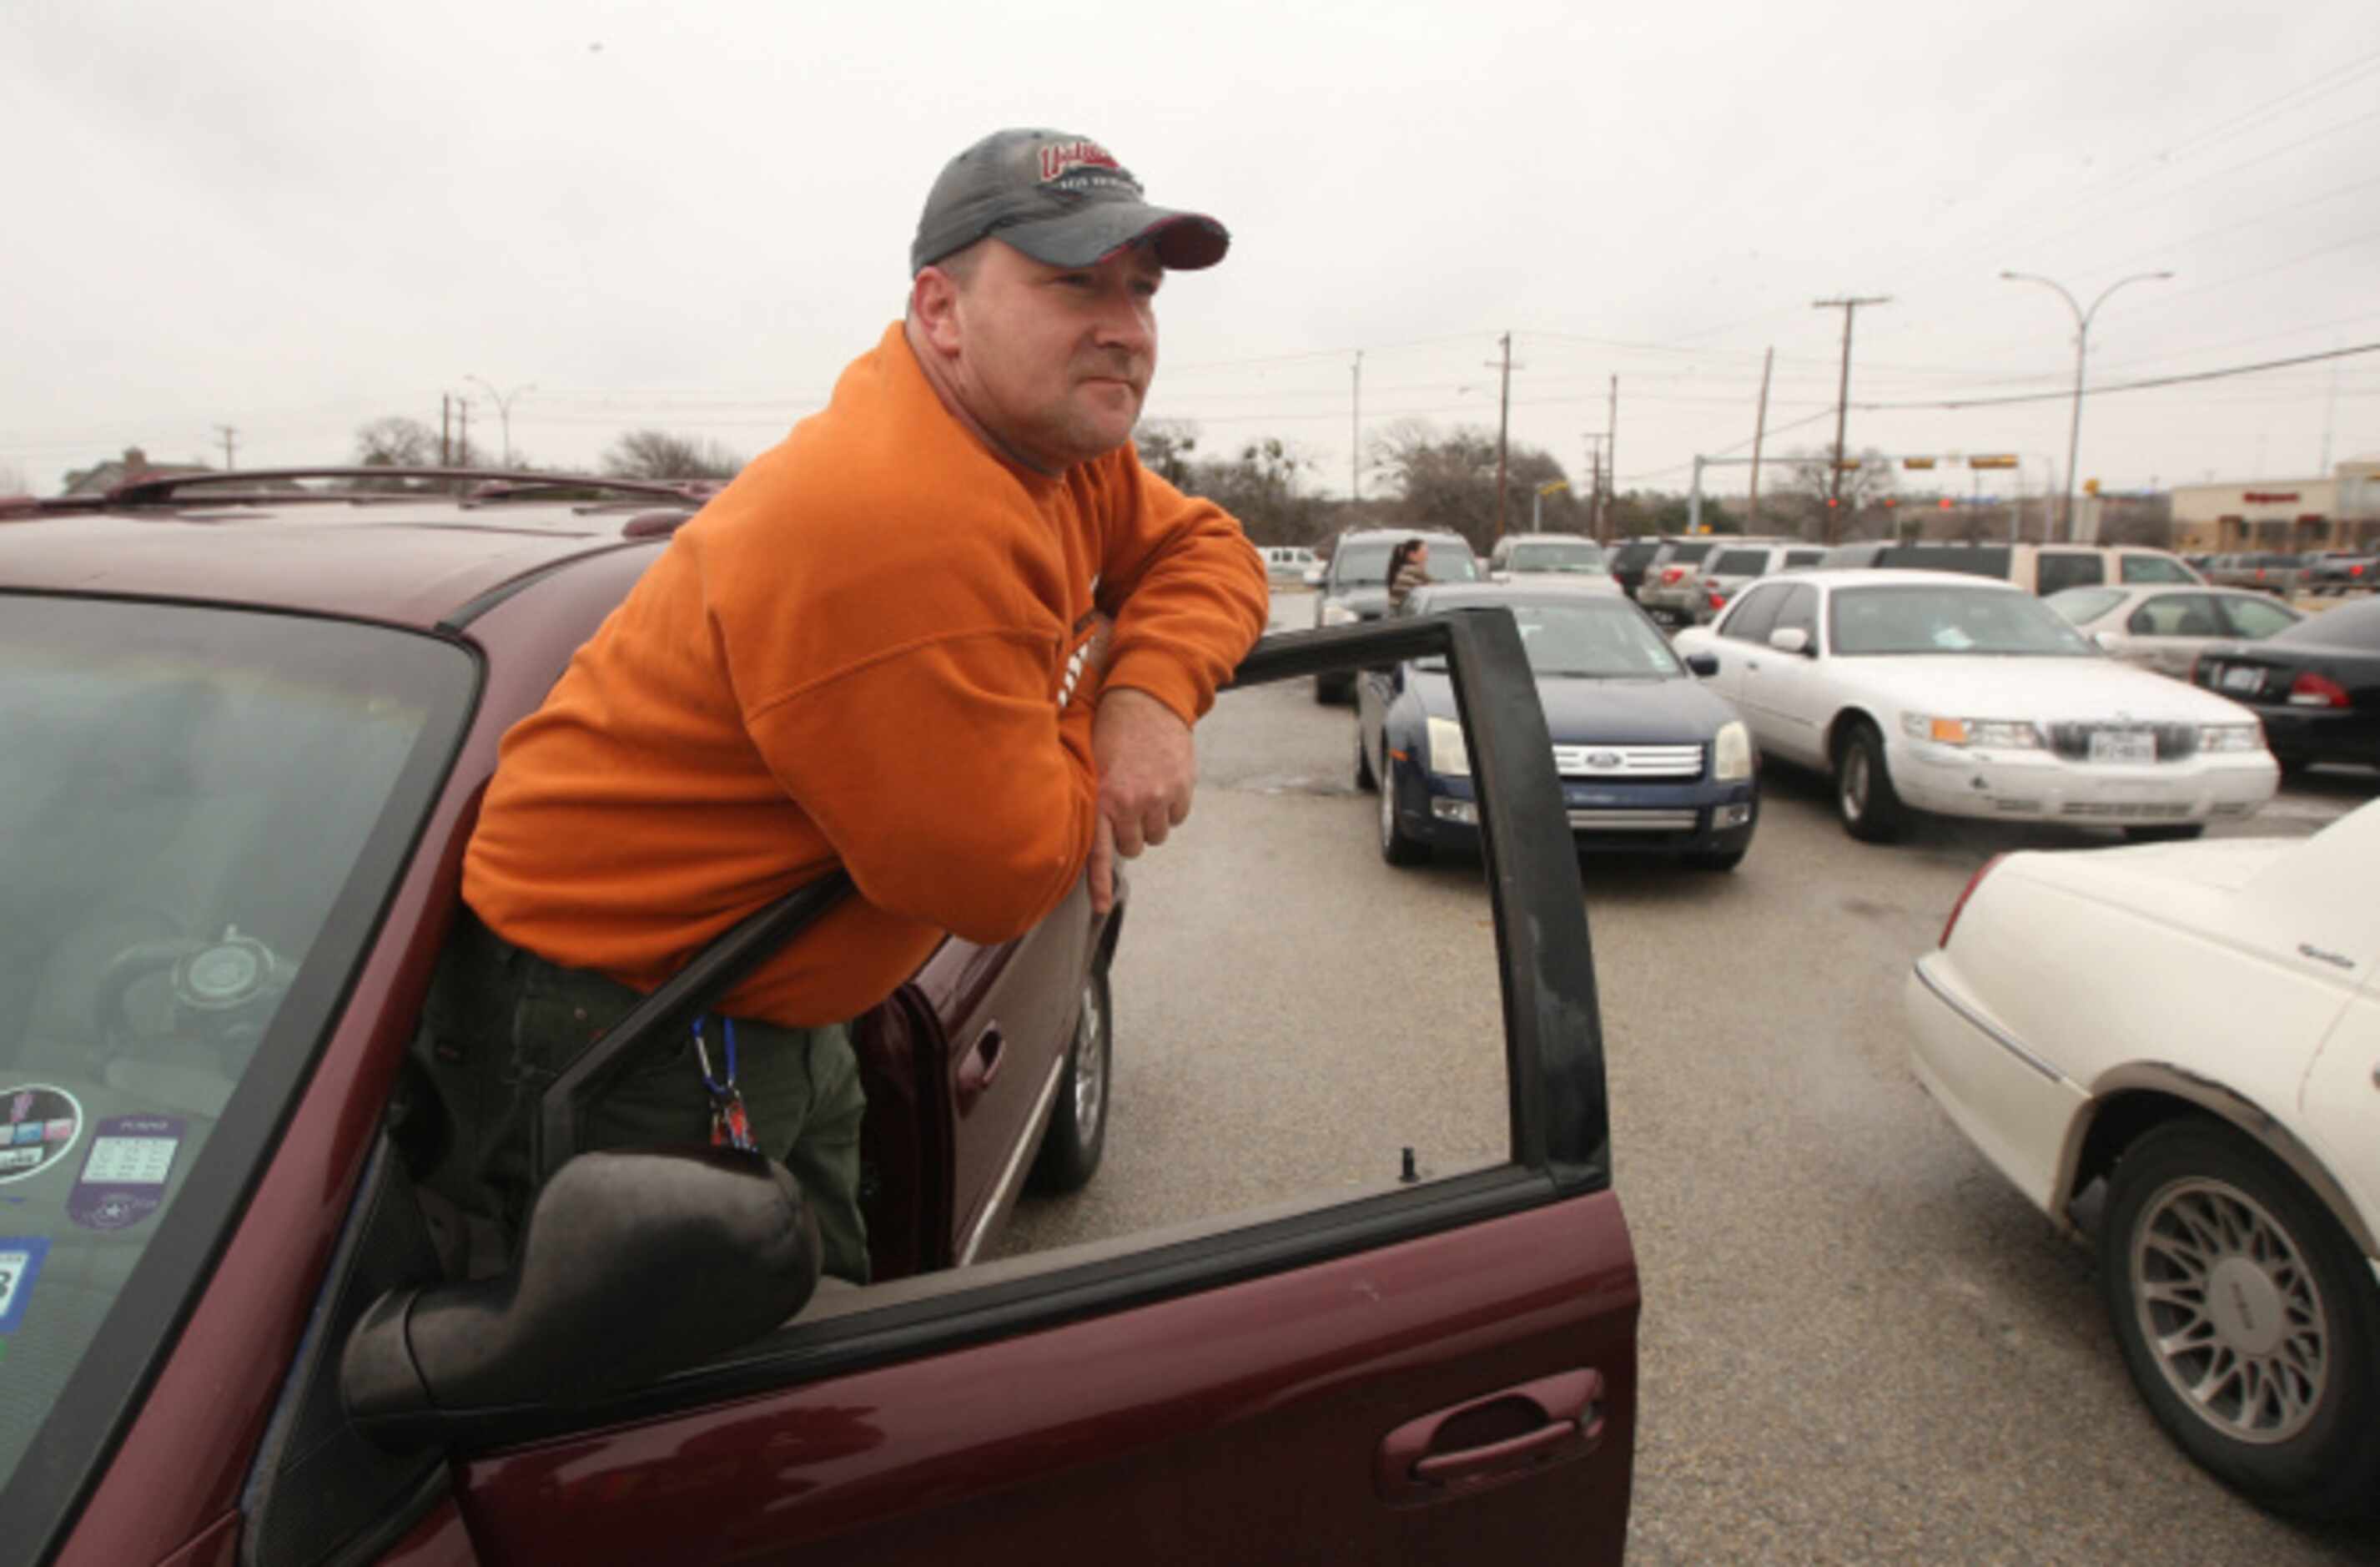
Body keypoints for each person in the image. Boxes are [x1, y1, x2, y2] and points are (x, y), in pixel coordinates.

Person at [411, 128, 1269, 1286]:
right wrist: (1091, 679)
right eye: (1073, 282)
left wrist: (1148, 694)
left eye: (1142, 288)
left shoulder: (1050, 446)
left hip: (775, 992)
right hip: (629, 1019)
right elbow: (1001, 875)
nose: (1125, 324)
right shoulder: (893, 522)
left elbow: (1209, 548)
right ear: (941, 308)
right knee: (699, 1401)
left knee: (821, 1328)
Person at [1386, 537, 1432, 609]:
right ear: (1412, 555)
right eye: (1425, 553)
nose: (1427, 557)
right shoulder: (1411, 575)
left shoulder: (1405, 573)